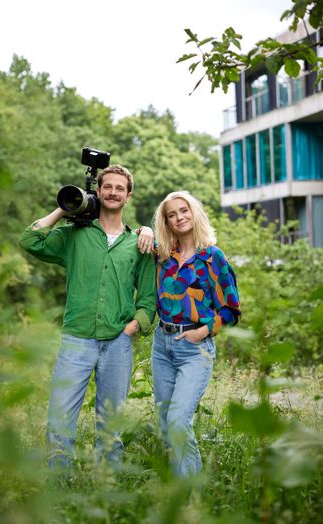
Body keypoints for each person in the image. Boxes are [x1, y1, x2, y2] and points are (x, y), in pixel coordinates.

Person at [19, 165, 156, 469]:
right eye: (107, 187)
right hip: (76, 339)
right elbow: (30, 240)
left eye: (120, 188)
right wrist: (64, 209)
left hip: (118, 342)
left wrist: (133, 327)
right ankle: (59, 491)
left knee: (111, 425)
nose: (113, 193)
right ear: (99, 191)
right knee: (60, 420)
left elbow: (148, 299)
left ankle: (106, 492)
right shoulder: (73, 236)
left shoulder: (140, 243)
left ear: (128, 196)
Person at [151, 190, 241, 477]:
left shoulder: (212, 257)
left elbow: (231, 309)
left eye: (183, 210)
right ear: (166, 222)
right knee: (166, 422)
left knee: (179, 421)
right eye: (172, 214)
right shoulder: (163, 256)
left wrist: (203, 331)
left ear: (194, 213)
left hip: (194, 348)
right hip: (162, 346)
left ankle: (192, 493)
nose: (179, 217)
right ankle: (179, 492)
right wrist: (142, 230)